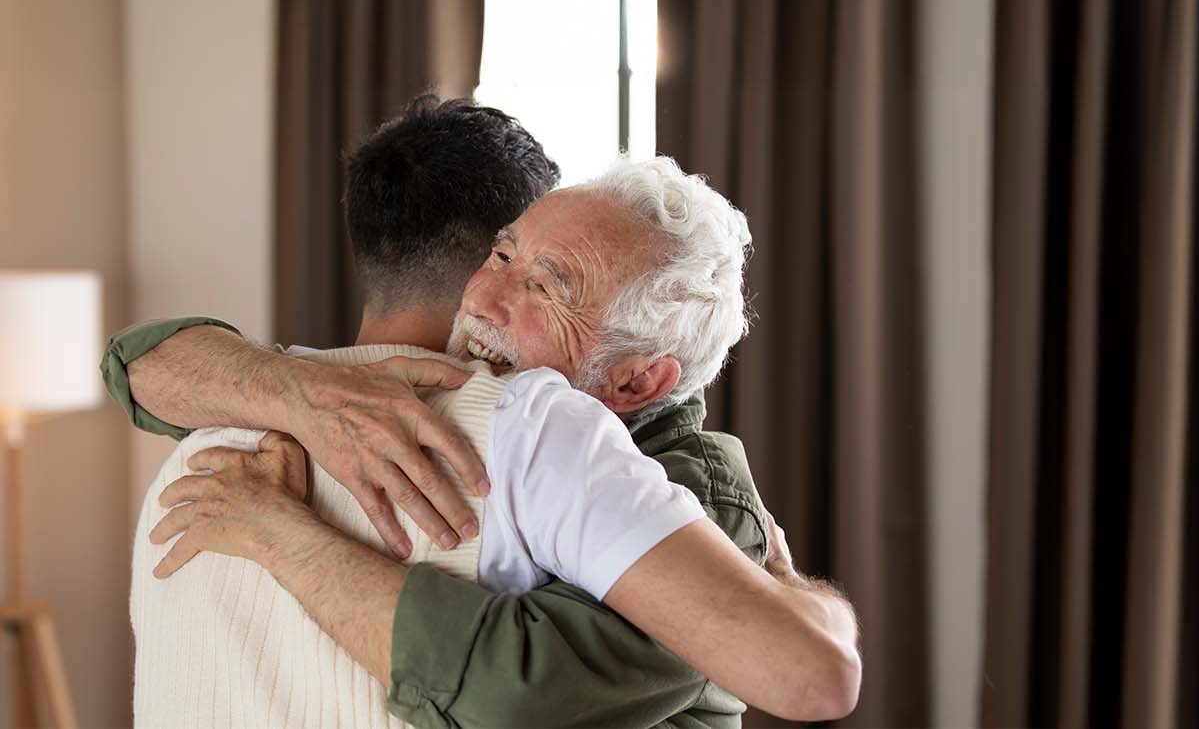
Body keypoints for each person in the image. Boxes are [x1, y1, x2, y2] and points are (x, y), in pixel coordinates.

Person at [106, 100, 861, 726]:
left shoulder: (642, 466)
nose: (485, 297)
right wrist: (296, 391)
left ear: (637, 381)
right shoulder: (258, 405)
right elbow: (134, 363)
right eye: (501, 256)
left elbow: (523, 693)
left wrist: (284, 535)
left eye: (549, 287)